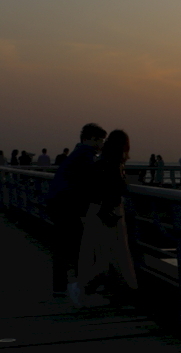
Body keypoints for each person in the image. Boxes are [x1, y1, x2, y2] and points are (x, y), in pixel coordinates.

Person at [46, 123, 107, 301]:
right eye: (100, 140)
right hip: (66, 205)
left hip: (59, 203)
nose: (101, 144)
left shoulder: (77, 154)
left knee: (64, 247)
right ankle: (85, 285)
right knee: (79, 245)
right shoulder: (85, 155)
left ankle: (62, 287)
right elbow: (94, 178)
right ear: (90, 139)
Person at [77, 129, 138, 305]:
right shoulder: (113, 163)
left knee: (102, 253)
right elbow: (114, 188)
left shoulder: (102, 161)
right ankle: (84, 288)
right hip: (109, 212)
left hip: (98, 210)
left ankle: (91, 289)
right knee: (113, 254)